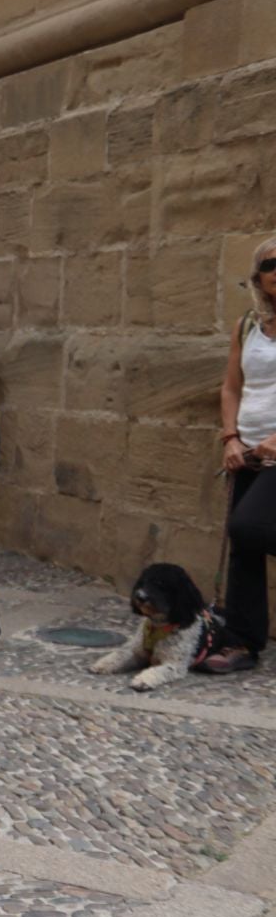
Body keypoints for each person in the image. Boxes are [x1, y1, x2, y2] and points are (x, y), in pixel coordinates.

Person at [206, 236, 276, 672]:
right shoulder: (248, 325)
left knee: (248, 527)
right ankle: (244, 642)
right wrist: (230, 437)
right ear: (259, 277)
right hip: (247, 450)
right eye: (272, 264)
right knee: (243, 545)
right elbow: (232, 386)